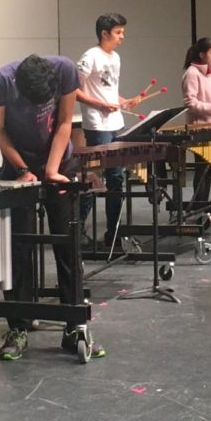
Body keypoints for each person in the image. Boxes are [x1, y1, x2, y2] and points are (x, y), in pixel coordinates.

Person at [0, 54, 105, 361]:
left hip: (59, 161)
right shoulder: (2, 81)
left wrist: (51, 170)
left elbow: (65, 121)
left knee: (68, 246)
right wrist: (23, 168)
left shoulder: (65, 71)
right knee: (17, 248)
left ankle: (74, 327)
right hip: (17, 165)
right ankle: (18, 327)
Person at [75, 13, 139, 246]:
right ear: (104, 33)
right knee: (94, 178)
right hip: (97, 125)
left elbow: (109, 92)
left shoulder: (116, 58)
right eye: (118, 32)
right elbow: (74, 90)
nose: (123, 36)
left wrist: (124, 101)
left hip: (116, 124)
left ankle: (113, 233)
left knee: (117, 179)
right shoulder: (90, 56)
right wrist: (101, 105)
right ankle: (79, 227)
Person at [182, 37, 211, 222]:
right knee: (201, 169)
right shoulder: (192, 73)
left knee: (208, 169)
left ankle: (203, 206)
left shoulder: (210, 73)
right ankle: (201, 208)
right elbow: (190, 103)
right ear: (202, 54)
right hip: (199, 126)